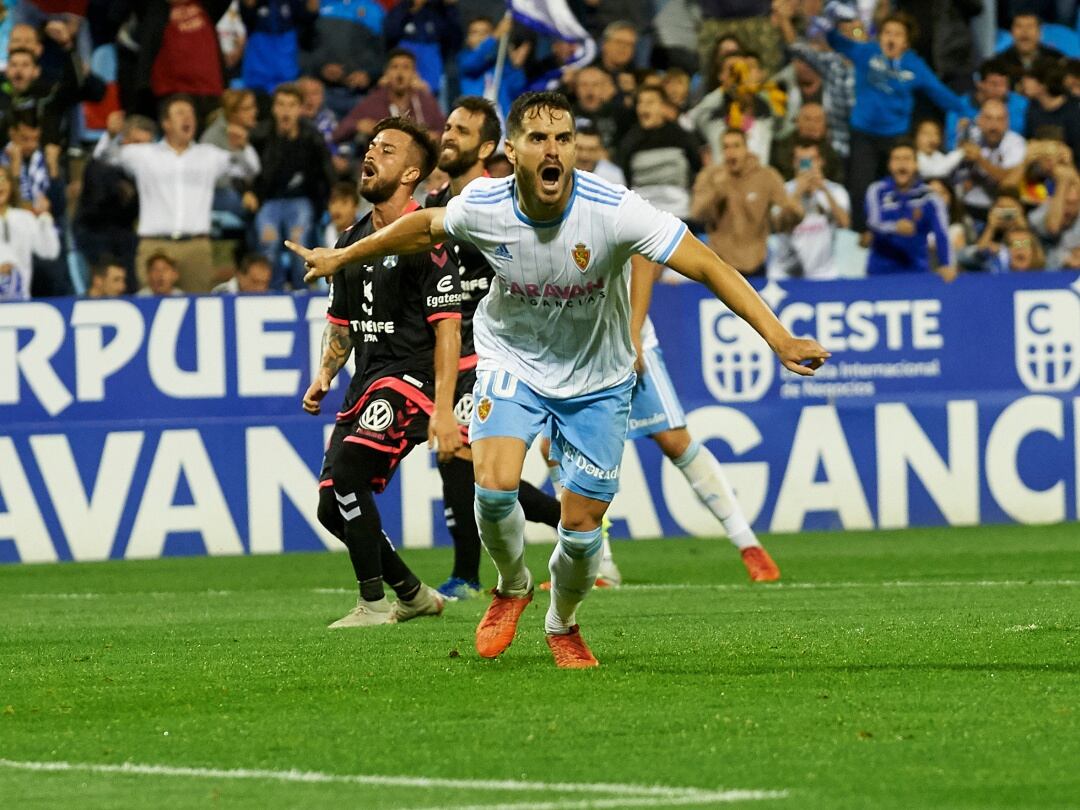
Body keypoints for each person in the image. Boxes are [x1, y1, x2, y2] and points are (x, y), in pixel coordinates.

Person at [286, 91, 829, 668]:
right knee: (491, 489)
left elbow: (709, 264)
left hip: (598, 375)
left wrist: (779, 337)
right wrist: (342, 259)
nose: (555, 150)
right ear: (513, 150)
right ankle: (513, 584)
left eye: (564, 139)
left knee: (580, 527)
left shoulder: (614, 209)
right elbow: (422, 227)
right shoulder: (486, 204)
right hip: (512, 360)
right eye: (540, 139)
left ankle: (562, 623)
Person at [302, 116, 463, 629]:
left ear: (412, 172)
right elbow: (342, 323)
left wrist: (442, 407)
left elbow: (447, 329)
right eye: (371, 145)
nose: (371, 154)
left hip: (410, 381)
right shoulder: (350, 240)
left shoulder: (428, 237)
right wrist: (325, 374)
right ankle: (412, 594)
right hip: (366, 381)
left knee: (350, 475)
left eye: (387, 150)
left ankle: (371, 603)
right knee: (333, 507)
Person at [423, 97, 566, 599]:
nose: (448, 136)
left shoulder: (499, 202)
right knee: (460, 459)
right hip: (448, 348)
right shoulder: (434, 204)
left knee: (467, 458)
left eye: (461, 130)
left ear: (487, 147)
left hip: (492, 349)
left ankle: (469, 572)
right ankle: (560, 517)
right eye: (447, 126)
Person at [822, 9, 965, 231]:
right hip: (864, 136)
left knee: (899, 187)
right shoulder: (866, 53)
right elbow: (835, 41)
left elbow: (939, 92)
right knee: (860, 189)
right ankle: (861, 236)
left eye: (898, 34)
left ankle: (901, 231)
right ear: (880, 37)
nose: (891, 38)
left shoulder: (915, 65)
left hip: (896, 138)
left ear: (906, 42)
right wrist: (829, 21)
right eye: (887, 32)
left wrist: (969, 112)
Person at [101, 95, 260, 292]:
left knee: (198, 311)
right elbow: (104, 158)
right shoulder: (144, 155)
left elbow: (250, 170)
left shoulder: (209, 155)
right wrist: (110, 136)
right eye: (180, 113)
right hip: (154, 245)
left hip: (196, 248)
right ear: (166, 123)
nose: (187, 118)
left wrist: (243, 147)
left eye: (191, 113)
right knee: (152, 311)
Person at [246, 83, 333, 290]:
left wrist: (327, 201)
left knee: (299, 244)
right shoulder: (259, 137)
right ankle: (274, 292)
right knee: (269, 244)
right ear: (274, 108)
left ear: (301, 109)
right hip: (268, 201)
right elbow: (245, 169)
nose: (286, 111)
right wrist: (247, 192)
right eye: (281, 105)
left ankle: (302, 291)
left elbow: (327, 174)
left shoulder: (312, 137)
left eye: (292, 105)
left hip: (301, 200)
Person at [691, 129, 803, 277]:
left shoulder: (767, 176)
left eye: (736, 146)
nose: (731, 152)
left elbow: (787, 213)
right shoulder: (710, 176)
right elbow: (697, 213)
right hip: (720, 262)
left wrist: (795, 208)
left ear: (746, 148)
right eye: (726, 147)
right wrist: (717, 191)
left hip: (756, 264)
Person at [866, 140, 956, 279]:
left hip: (916, 272)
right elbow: (873, 222)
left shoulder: (930, 197)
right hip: (880, 272)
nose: (902, 164)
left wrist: (946, 264)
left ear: (916, 164)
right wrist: (895, 227)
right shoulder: (876, 191)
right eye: (896, 159)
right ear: (889, 165)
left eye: (907, 159)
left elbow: (942, 232)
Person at [617, 86, 702, 221]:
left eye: (650, 102)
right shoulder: (630, 141)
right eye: (640, 103)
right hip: (642, 215)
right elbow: (625, 177)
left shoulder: (681, 137)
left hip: (679, 213)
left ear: (663, 107)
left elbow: (697, 167)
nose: (644, 107)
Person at [770, 139, 851, 280]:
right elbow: (779, 226)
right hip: (786, 275)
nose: (806, 166)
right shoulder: (783, 190)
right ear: (794, 163)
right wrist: (797, 193)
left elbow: (844, 223)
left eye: (811, 160)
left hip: (825, 275)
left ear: (821, 161)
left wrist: (824, 190)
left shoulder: (835, 191)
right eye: (801, 161)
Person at [332, 49, 445, 146]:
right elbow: (338, 133)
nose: (400, 74)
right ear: (386, 73)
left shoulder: (424, 100)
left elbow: (445, 131)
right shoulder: (374, 101)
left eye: (406, 67)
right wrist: (357, 125)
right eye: (394, 67)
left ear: (414, 74)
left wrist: (435, 136)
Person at [0, 162, 59, 302]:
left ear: (10, 185)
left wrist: (44, 218)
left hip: (22, 300)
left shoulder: (25, 218)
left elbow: (49, 251)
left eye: (2, 179)